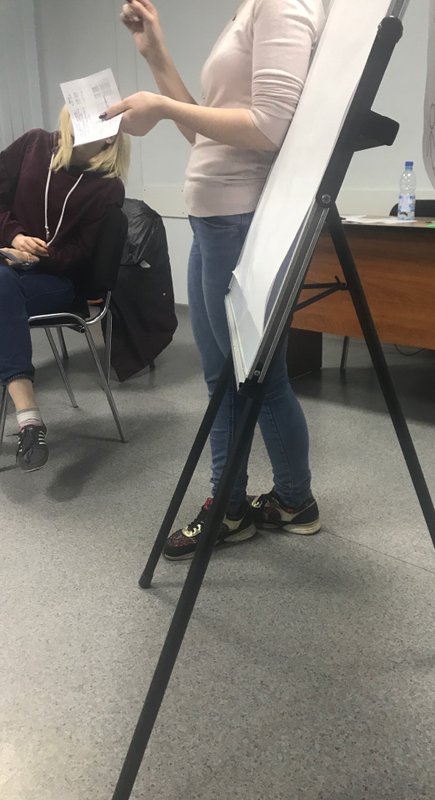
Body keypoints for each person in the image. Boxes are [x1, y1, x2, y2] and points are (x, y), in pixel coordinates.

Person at [108, 0, 325, 559]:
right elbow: (208, 133)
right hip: (215, 222)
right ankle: (288, 502)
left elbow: (268, 128)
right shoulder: (251, 7)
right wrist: (156, 55)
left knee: (241, 381)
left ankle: (234, 509)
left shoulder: (281, 4)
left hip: (237, 222)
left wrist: (159, 105)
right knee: (240, 379)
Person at [0, 106, 129, 471]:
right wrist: (14, 236)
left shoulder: (107, 187)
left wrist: (39, 256)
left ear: (111, 135)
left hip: (56, 281)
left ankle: (27, 417)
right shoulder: (33, 145)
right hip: (7, 266)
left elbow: (82, 253)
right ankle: (29, 419)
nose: (80, 120)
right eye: (76, 109)